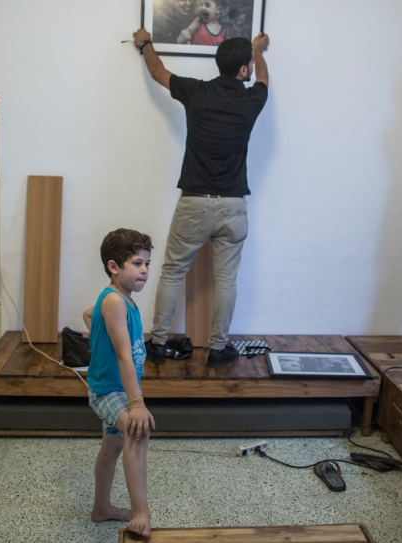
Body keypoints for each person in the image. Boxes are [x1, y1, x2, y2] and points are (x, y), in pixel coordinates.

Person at [131, 26, 269, 368]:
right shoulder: (252, 100)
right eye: (249, 64)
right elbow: (263, 81)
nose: (251, 68)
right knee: (226, 281)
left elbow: (157, 71)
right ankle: (219, 349)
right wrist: (260, 51)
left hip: (194, 203)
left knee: (172, 272)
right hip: (233, 206)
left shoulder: (196, 92)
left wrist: (145, 43)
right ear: (242, 70)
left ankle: (159, 344)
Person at [83, 228, 155, 538]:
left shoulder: (121, 300)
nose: (144, 270)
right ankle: (141, 510)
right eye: (137, 263)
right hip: (109, 390)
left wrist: (99, 333)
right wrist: (136, 405)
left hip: (116, 388)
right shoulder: (114, 301)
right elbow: (125, 356)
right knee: (137, 431)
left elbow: (88, 314)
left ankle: (102, 508)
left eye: (147, 264)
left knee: (112, 447)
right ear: (114, 267)